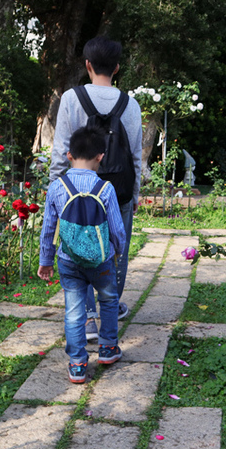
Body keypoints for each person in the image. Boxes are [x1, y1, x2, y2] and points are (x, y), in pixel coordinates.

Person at [48, 36, 142, 341]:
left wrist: (55, 189)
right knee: (117, 248)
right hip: (119, 189)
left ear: (87, 65)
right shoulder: (131, 104)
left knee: (77, 247)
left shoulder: (71, 99)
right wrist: (136, 192)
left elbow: (61, 149)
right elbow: (137, 156)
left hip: (76, 190)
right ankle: (109, 307)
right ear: (116, 68)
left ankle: (87, 317)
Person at [38, 126, 126, 383]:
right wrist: (118, 252)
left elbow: (48, 229)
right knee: (109, 301)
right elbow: (117, 229)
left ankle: (77, 363)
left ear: (69, 155)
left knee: (74, 311)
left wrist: (46, 261)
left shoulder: (57, 188)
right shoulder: (106, 188)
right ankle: (108, 348)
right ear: (101, 156)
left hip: (68, 260)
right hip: (102, 259)